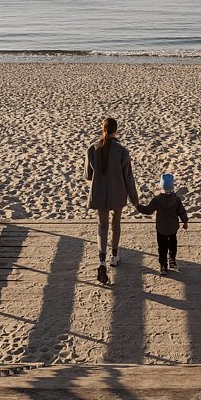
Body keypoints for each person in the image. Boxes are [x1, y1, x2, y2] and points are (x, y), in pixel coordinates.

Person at [85, 117, 138, 283]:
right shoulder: (122, 151)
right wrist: (135, 199)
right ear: (116, 130)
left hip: (100, 193)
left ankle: (101, 260)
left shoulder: (92, 149)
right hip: (117, 193)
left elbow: (88, 175)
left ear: (102, 129)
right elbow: (128, 178)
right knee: (116, 224)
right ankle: (114, 256)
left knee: (102, 226)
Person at [136, 173, 188, 275]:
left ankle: (163, 265)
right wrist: (185, 221)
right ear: (172, 186)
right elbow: (182, 212)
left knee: (162, 247)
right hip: (173, 227)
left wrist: (138, 206)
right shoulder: (176, 199)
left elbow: (148, 210)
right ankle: (172, 260)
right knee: (173, 244)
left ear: (161, 186)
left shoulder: (157, 200)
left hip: (161, 228)